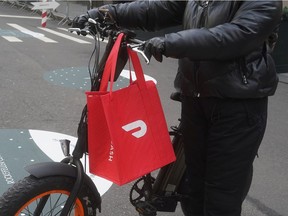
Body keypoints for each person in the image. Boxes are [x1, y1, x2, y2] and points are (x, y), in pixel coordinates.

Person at [72, 1, 283, 215]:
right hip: (195, 97)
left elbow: (237, 35)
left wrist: (171, 42)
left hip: (238, 106)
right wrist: (106, 13)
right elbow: (157, 9)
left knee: (221, 197)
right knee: (192, 189)